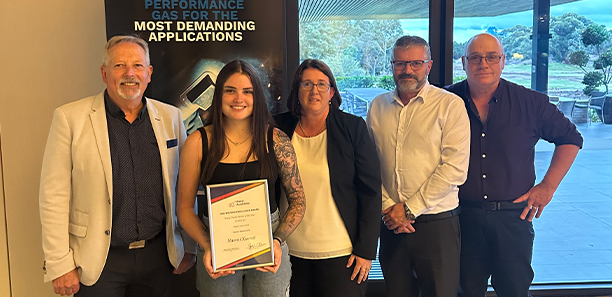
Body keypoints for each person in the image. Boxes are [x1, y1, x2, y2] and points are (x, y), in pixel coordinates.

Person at [39, 35, 197, 297]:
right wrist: (59, 264)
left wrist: (187, 246)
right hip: (99, 260)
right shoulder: (70, 119)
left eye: (137, 66)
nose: (129, 74)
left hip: (158, 257)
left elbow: (185, 187)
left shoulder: (171, 117)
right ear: (104, 73)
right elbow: (53, 196)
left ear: (149, 73)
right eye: (119, 66)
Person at [446, 33, 583, 297]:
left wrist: (548, 187)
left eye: (491, 57)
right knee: (464, 292)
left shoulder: (531, 103)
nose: (483, 64)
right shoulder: (445, 102)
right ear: (463, 62)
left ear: (503, 62)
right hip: (461, 217)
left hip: (513, 218)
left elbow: (570, 139)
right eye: (475, 57)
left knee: (514, 291)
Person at [176, 60, 306, 297]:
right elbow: (184, 208)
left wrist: (276, 241)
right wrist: (208, 246)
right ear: (219, 96)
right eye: (230, 91)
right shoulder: (197, 142)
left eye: (247, 91)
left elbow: (298, 201)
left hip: (268, 247)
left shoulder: (276, 140)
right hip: (217, 248)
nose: (239, 99)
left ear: (256, 96)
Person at [366, 35, 470, 297]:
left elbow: (454, 169)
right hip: (390, 223)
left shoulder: (450, 105)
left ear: (429, 65)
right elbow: (368, 163)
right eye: (400, 64)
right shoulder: (378, 107)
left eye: (415, 63)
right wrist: (389, 207)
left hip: (437, 225)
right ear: (392, 66)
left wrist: (409, 210)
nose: (407, 70)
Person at [274, 59, 382, 297]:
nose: (315, 91)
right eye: (307, 84)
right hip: (287, 251)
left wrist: (366, 250)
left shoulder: (352, 127)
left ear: (332, 91)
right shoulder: (278, 128)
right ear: (296, 90)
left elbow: (371, 191)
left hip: (341, 254)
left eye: (322, 84)